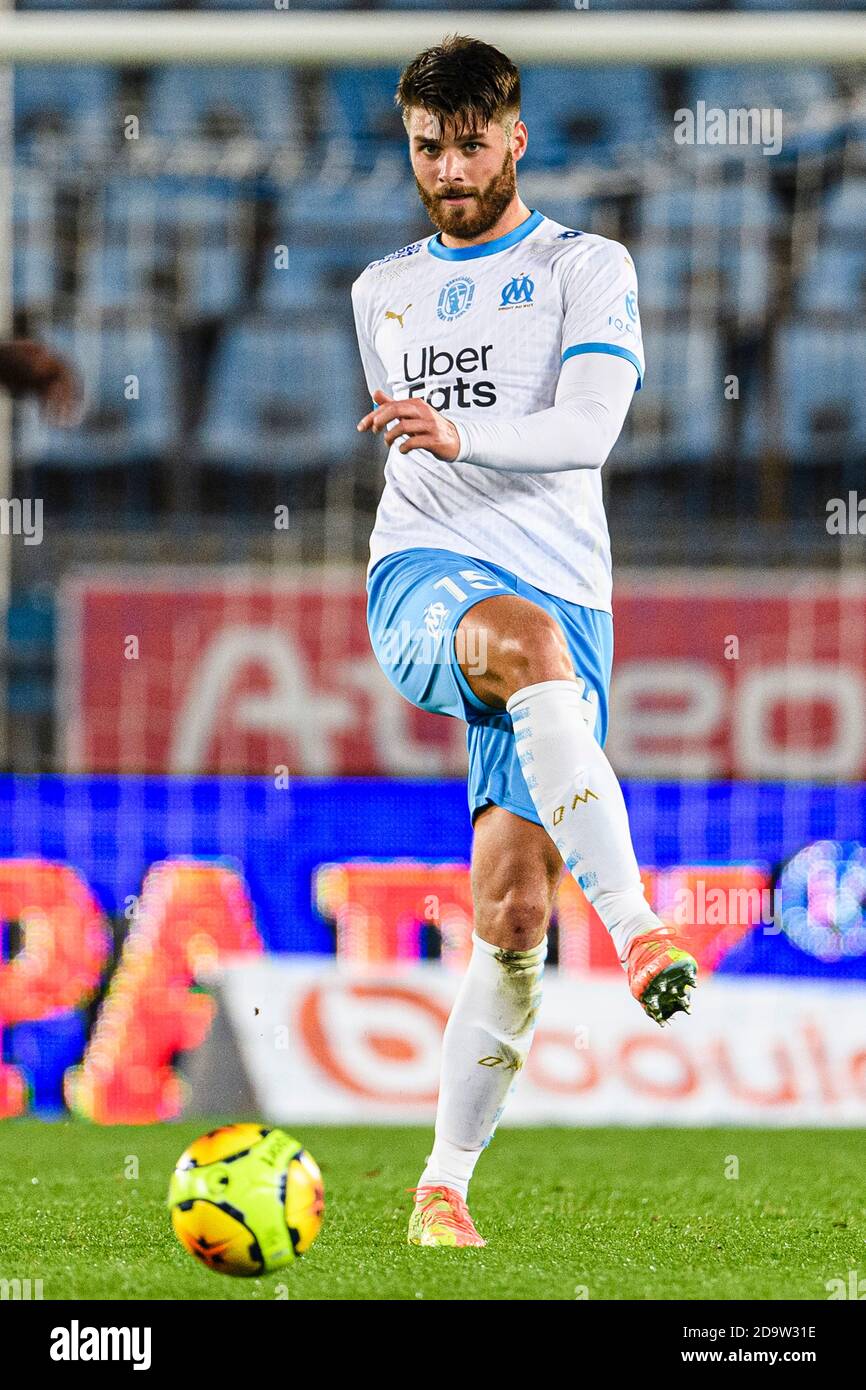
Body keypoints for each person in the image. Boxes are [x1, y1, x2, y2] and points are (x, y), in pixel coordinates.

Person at [352, 34, 696, 1249]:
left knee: (506, 917)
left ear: (514, 137)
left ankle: (438, 1187)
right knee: (519, 636)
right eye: (424, 148)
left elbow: (589, 431)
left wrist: (459, 435)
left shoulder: (584, 266)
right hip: (429, 581)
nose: (447, 168)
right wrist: (440, 452)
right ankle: (640, 919)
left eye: (467, 143)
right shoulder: (378, 289)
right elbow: (420, 457)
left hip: (564, 604)